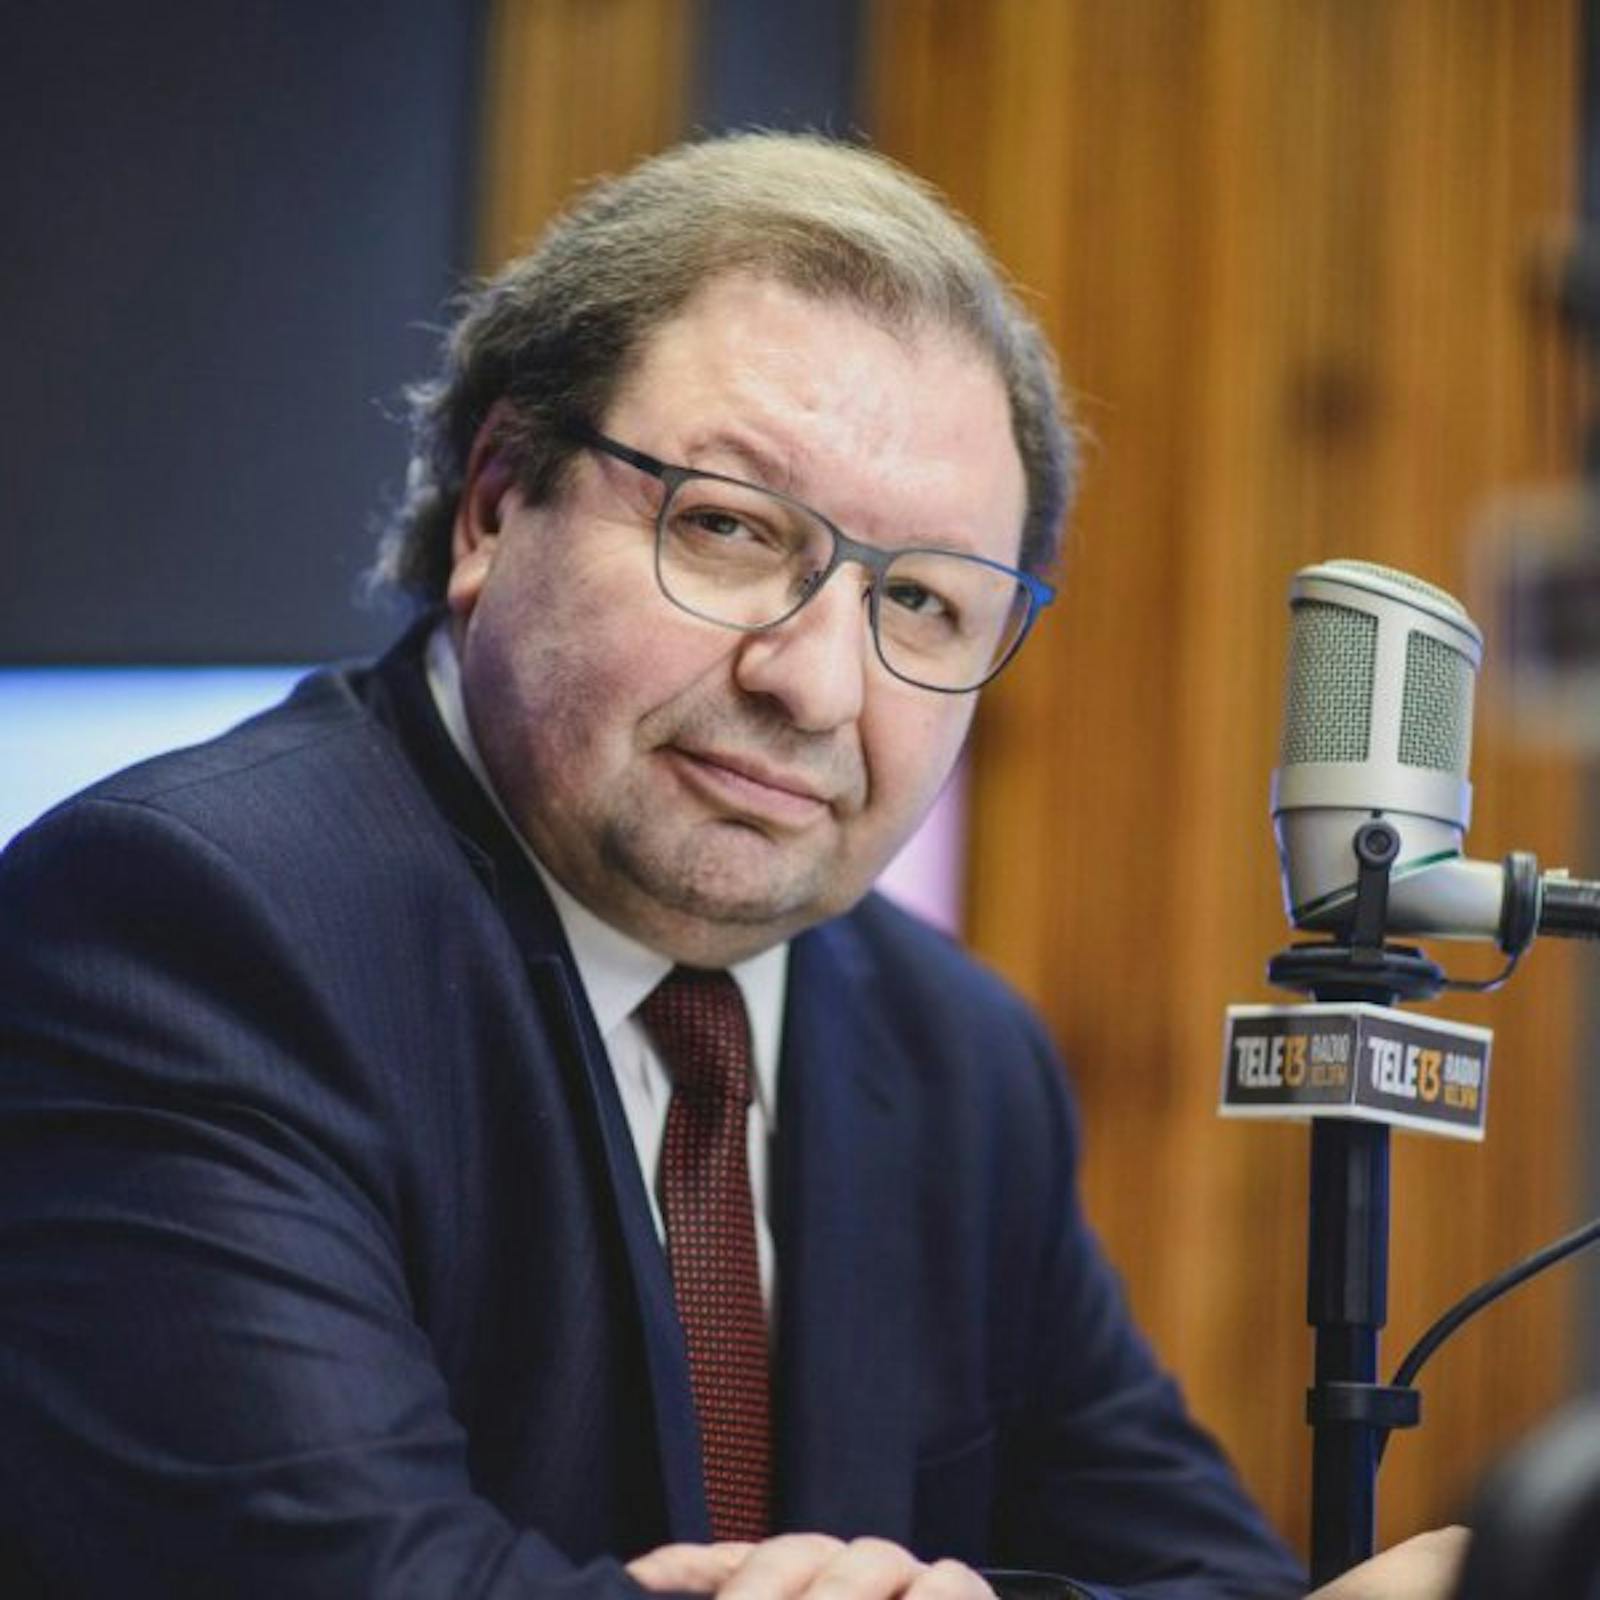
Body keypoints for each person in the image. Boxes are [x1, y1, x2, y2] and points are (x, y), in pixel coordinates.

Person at [0, 133, 1463, 1598]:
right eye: (727, 528)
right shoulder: (178, 930)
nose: (814, 684)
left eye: (923, 602)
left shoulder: (960, 1059)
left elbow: (1215, 1577)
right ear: (496, 502)